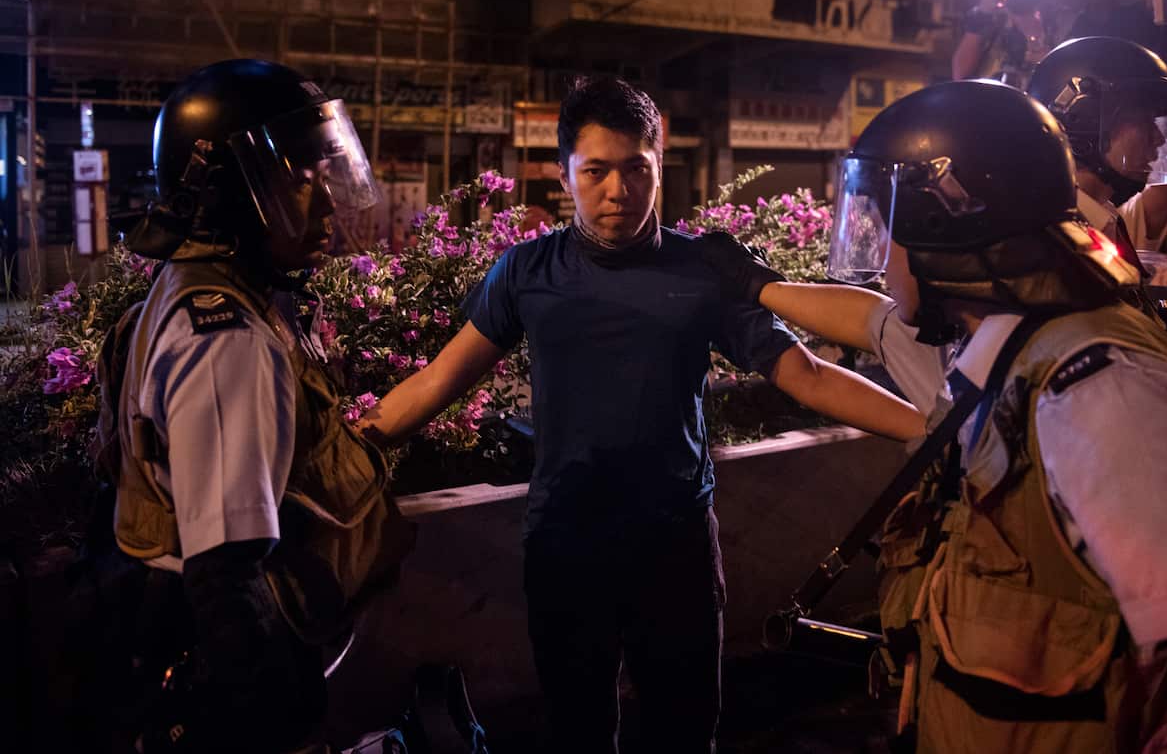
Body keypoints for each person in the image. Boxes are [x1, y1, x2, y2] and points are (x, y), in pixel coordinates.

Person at [699, 79, 1167, 752]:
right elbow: (875, 322)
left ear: (944, 228)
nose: (881, 259)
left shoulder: (1101, 395)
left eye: (890, 230)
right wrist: (755, 284)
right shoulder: (1006, 359)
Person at [356, 75, 925, 752]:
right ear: (565, 171)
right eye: (595, 171)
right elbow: (441, 379)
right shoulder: (526, 270)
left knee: (684, 732)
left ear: (660, 165)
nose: (617, 191)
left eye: (636, 170)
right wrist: (341, 449)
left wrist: (936, 433)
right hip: (566, 545)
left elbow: (803, 374)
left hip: (675, 545)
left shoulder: (704, 269)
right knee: (577, 731)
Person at [100, 59, 416, 752]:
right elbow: (226, 576)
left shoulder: (191, 284)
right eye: (302, 179)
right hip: (214, 653)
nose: (329, 201)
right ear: (230, 193)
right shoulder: (227, 340)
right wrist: (276, 718)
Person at [1028, 35, 1167, 262]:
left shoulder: (1104, 218)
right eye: (1146, 121)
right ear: (1083, 119)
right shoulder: (1044, 235)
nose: (1159, 138)